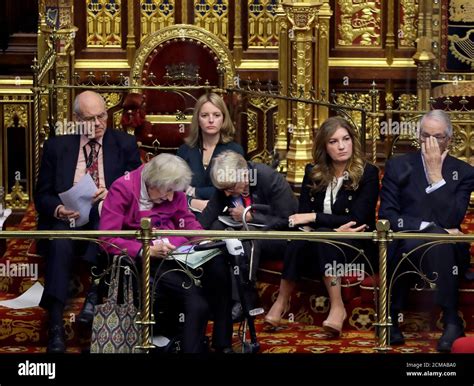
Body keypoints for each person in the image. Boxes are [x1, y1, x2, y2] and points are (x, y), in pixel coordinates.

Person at [35, 90, 142, 353]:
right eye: (90, 118)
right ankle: (56, 325)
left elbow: (138, 190)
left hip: (107, 217)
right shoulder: (57, 147)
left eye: (102, 116)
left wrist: (115, 194)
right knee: (59, 242)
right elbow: (42, 194)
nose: (98, 124)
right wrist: (59, 209)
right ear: (76, 118)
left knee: (102, 215)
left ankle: (94, 294)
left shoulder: (124, 144)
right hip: (68, 218)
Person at [99, 153, 234, 353]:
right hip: (143, 262)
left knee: (219, 264)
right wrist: (147, 249)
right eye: (168, 191)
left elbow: (186, 221)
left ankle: (223, 343)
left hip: (175, 253)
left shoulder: (171, 188)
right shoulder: (123, 188)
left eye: (174, 191)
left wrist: (204, 239)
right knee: (197, 304)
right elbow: (106, 239)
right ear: (152, 182)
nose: (171, 197)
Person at [265, 116, 379, 336]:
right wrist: (331, 227)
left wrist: (316, 220)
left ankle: (338, 307)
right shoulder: (313, 172)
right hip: (318, 245)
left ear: (353, 141)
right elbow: (302, 217)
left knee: (324, 237)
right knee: (302, 239)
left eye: (346, 139)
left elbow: (358, 219)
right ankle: (281, 302)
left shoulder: (368, 173)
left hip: (357, 246)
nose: (342, 146)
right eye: (334, 141)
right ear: (324, 147)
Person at [379, 109, 474, 352]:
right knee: (429, 238)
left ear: (449, 140)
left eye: (438, 137)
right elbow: (388, 216)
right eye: (425, 136)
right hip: (406, 245)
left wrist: (435, 176)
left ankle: (451, 321)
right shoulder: (398, 166)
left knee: (439, 241)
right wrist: (428, 228)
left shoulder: (462, 172)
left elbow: (453, 217)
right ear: (418, 137)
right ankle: (392, 318)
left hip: (447, 254)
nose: (430, 143)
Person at [177, 93, 244, 213]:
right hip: (189, 213)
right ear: (197, 119)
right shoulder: (184, 150)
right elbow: (175, 190)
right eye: (205, 115)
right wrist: (191, 202)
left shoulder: (234, 150)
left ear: (223, 118)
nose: (211, 120)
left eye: (216, 115)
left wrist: (194, 191)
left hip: (223, 214)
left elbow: (233, 189)